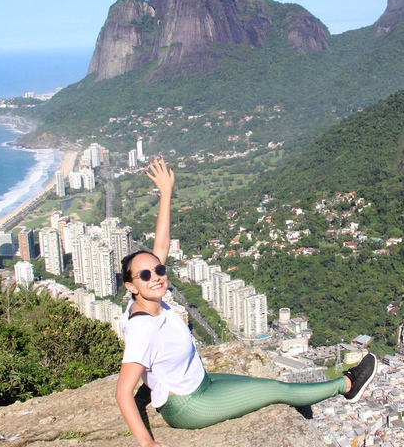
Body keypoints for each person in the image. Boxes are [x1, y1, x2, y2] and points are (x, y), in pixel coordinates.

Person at [115, 157, 378, 447]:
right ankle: (348, 384)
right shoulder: (144, 328)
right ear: (131, 285)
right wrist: (146, 442)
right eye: (145, 274)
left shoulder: (151, 296)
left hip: (203, 382)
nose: (156, 276)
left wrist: (166, 194)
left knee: (272, 388)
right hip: (188, 406)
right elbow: (123, 392)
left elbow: (161, 246)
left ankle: (300, 401)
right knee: (277, 390)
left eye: (159, 270)